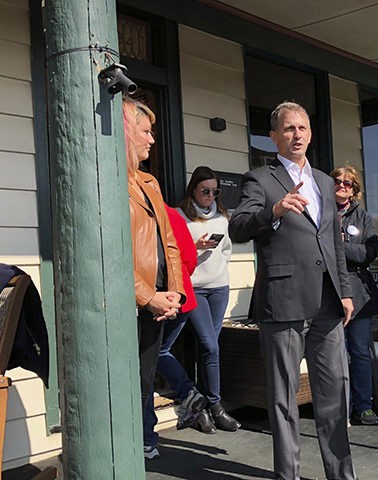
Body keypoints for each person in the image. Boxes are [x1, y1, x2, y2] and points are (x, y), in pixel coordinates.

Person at [229, 101, 356, 480]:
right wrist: (274, 211)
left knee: (335, 395)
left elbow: (333, 242)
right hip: (283, 302)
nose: (296, 134)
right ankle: (288, 476)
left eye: (302, 127)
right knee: (283, 400)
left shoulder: (325, 181)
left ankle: (341, 475)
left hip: (328, 304)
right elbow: (238, 227)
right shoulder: (259, 179)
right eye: (288, 129)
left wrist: (345, 291)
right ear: (274, 137)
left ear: (310, 133)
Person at [123, 97, 185, 458]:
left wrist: (173, 292)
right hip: (132, 305)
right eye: (145, 131)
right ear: (126, 132)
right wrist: (148, 296)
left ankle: (140, 448)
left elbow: (169, 243)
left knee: (145, 384)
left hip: (158, 304)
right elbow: (109, 254)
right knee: (128, 388)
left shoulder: (150, 181)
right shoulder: (109, 181)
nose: (152, 140)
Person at [142, 205, 215, 460]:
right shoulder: (171, 213)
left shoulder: (139, 211)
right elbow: (189, 259)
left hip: (154, 300)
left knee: (145, 368)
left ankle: (147, 441)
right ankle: (189, 394)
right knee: (159, 354)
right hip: (182, 298)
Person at [176, 166, 241, 432]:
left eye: (216, 191)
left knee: (210, 347)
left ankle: (205, 406)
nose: (211, 196)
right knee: (209, 346)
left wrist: (219, 268)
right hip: (194, 288)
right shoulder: (180, 216)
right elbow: (173, 252)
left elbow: (226, 249)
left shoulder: (222, 217)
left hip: (218, 287)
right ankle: (213, 404)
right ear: (194, 189)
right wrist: (196, 247)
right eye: (206, 191)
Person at [330, 166, 378, 425]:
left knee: (360, 351)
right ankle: (341, 410)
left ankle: (363, 406)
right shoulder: (320, 211)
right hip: (328, 292)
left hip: (359, 295)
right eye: (337, 181)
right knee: (335, 354)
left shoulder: (362, 217)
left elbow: (370, 252)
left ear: (355, 189)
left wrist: (342, 247)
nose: (342, 185)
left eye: (348, 183)